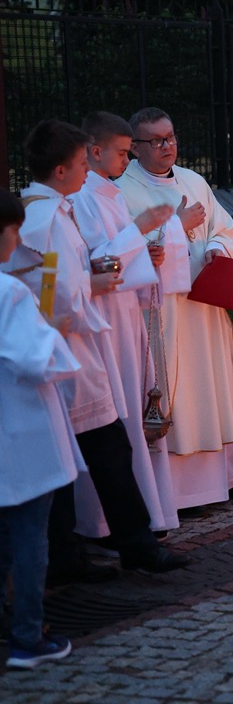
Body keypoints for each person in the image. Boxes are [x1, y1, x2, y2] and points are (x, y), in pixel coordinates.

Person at [2, 121, 189, 576]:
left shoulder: (49, 210)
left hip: (67, 345)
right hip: (66, 348)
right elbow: (54, 292)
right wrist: (93, 284)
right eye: (82, 164)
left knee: (85, 452)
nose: (88, 170)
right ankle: (124, 548)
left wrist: (92, 277)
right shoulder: (46, 219)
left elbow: (59, 280)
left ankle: (79, 554)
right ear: (61, 170)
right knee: (105, 449)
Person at [116, 108, 233, 512]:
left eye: (170, 137)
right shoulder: (122, 192)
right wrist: (177, 226)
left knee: (216, 387)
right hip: (165, 310)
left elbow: (222, 227)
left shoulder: (194, 180)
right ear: (134, 147)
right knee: (179, 395)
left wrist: (218, 248)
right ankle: (182, 492)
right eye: (156, 140)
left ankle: (227, 477)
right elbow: (126, 251)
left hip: (205, 305)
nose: (167, 146)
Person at [70, 112, 179, 537]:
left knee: (134, 412)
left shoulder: (109, 193)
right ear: (95, 152)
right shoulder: (83, 198)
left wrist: (143, 252)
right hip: (104, 320)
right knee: (117, 417)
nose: (127, 159)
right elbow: (97, 262)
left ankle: (146, 513)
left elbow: (117, 254)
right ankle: (105, 524)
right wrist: (140, 230)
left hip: (125, 314)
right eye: (121, 152)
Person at [0, 187, 83, 669]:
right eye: (14, 231)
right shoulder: (11, 292)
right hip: (23, 432)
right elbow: (36, 362)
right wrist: (53, 332)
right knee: (31, 536)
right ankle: (28, 637)